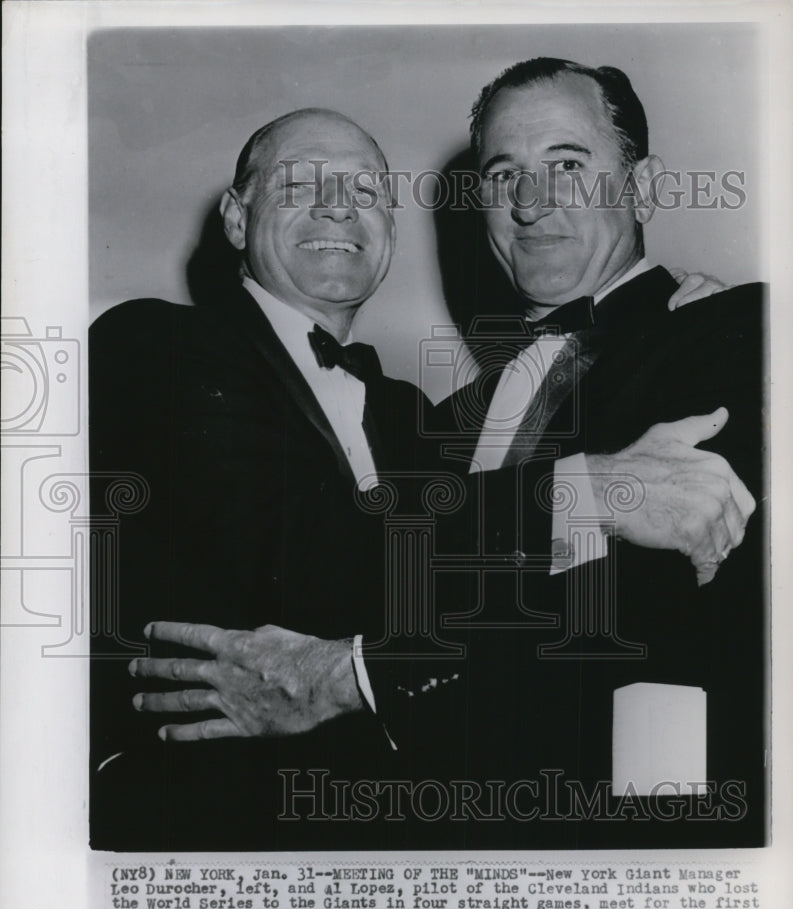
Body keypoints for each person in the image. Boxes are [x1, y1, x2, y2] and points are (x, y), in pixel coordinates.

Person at [98, 104, 754, 849]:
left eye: (366, 191)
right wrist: (587, 491)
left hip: (416, 835)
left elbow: (474, 598)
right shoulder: (154, 345)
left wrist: (693, 327)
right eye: (298, 185)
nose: (337, 206)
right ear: (235, 218)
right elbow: (299, 550)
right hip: (201, 835)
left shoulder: (422, 422)